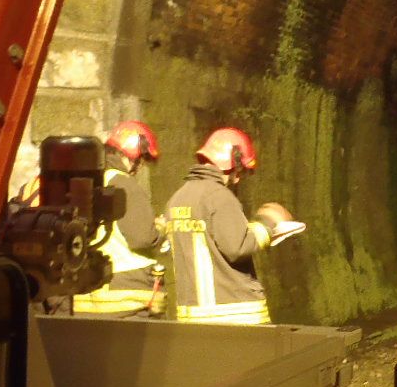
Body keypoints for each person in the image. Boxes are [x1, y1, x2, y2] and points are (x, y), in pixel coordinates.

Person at [164, 127, 303, 325]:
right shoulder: (218, 196)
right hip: (234, 313)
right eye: (239, 171)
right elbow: (237, 247)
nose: (238, 179)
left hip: (192, 316)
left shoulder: (177, 199)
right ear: (232, 162)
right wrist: (269, 222)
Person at [74, 120, 165, 317]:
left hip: (87, 294)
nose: (140, 167)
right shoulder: (124, 184)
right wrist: (160, 231)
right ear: (133, 156)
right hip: (126, 295)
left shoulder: (89, 182)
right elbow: (142, 237)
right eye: (141, 160)